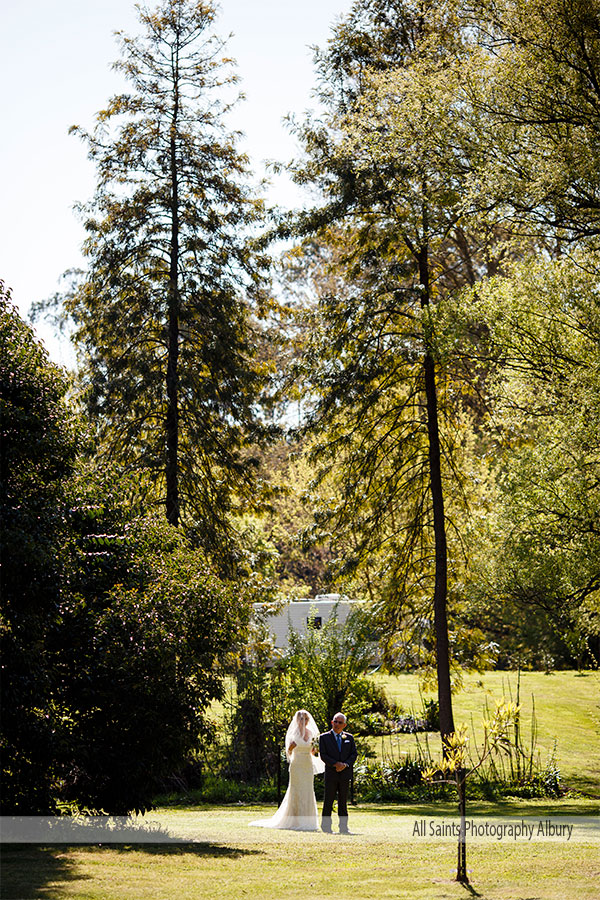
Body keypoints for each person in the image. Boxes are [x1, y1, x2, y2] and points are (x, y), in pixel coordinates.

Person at [249, 709, 325, 831]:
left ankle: (308, 820)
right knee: (296, 790)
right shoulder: (293, 734)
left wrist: (315, 750)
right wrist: (291, 747)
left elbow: (312, 751)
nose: (303, 721)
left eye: (306, 719)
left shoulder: (311, 734)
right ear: (297, 720)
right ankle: (294, 819)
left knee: (307, 790)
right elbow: (288, 752)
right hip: (297, 765)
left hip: (307, 765)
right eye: (301, 719)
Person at [319, 712, 357, 834]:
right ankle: (326, 827)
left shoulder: (349, 738)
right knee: (328, 801)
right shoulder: (324, 737)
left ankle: (344, 828)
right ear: (332, 722)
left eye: (340, 722)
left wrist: (345, 764)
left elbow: (353, 754)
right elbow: (323, 755)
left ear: (344, 725)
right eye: (335, 721)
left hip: (344, 774)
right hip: (331, 773)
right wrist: (335, 764)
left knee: (343, 801)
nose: (337, 724)